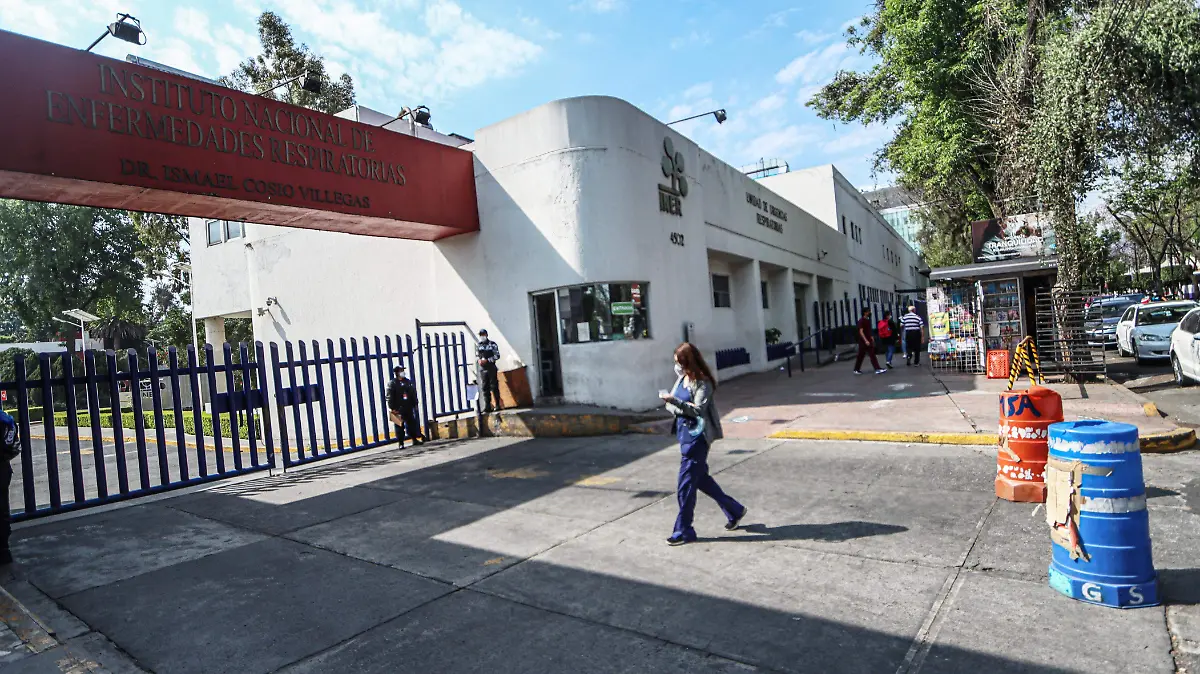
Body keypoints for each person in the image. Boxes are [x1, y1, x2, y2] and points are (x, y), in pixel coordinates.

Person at [659, 343, 747, 546]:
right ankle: (735, 510)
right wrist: (679, 405)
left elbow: (697, 410)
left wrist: (677, 403)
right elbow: (669, 406)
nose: (677, 368)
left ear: (688, 362)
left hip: (698, 439)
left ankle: (684, 530)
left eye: (679, 363)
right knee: (701, 480)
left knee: (685, 486)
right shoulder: (682, 379)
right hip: (684, 436)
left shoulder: (702, 383)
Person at [386, 365, 424, 448]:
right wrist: (392, 408)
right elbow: (389, 397)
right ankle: (401, 443)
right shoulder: (392, 383)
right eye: (401, 371)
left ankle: (414, 439)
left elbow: (413, 393)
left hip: (408, 406)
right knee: (399, 426)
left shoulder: (407, 382)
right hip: (397, 408)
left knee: (411, 423)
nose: (403, 372)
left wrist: (415, 403)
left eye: (403, 370)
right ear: (396, 373)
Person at [0, 409, 18, 564]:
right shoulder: (6, 419)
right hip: (3, 468)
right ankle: (3, 549)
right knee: (2, 508)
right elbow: (14, 448)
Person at [854, 308, 887, 375]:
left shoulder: (867, 320)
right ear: (865, 313)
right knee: (861, 355)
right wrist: (865, 340)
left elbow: (868, 330)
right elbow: (861, 332)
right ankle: (857, 369)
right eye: (868, 311)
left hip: (868, 340)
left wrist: (871, 337)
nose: (869, 313)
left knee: (871, 354)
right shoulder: (861, 321)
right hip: (863, 341)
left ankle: (877, 368)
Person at [476, 329, 502, 413]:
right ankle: (487, 405)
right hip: (483, 369)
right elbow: (477, 356)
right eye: (480, 335)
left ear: (486, 334)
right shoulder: (479, 345)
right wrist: (479, 361)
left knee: (494, 386)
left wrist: (488, 360)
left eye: (483, 334)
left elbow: (497, 355)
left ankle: (497, 404)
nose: (482, 336)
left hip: (491, 367)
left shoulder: (492, 344)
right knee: (485, 387)